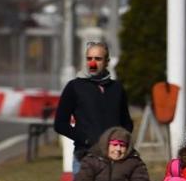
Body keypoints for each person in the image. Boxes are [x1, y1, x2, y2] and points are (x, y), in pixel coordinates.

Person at [54, 41, 133, 173]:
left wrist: (120, 142)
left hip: (114, 160)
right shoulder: (74, 87)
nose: (93, 63)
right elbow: (60, 124)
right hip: (85, 158)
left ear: (107, 62)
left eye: (98, 59)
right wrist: (84, 138)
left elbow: (126, 122)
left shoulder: (117, 88)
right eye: (89, 58)